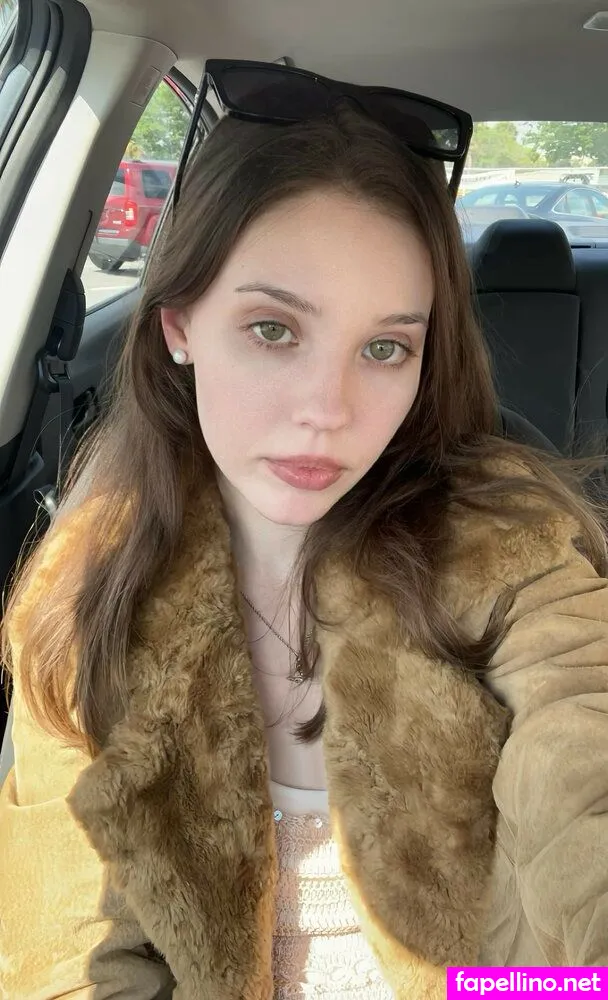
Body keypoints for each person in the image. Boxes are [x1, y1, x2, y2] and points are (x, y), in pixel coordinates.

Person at [0, 59, 607, 1000]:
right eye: (274, 330)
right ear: (179, 323)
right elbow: (59, 958)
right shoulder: (88, 589)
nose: (329, 410)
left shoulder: (512, 545)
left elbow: (586, 760)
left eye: (385, 347)